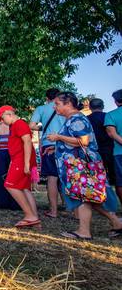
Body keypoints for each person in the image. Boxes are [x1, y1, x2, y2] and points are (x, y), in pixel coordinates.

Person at [48, 92, 122, 240]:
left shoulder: (76, 118)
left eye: (57, 104)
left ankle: (84, 231)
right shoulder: (74, 118)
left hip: (80, 166)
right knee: (88, 196)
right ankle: (117, 222)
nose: (54, 107)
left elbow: (84, 140)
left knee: (83, 196)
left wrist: (58, 137)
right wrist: (57, 146)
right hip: (78, 165)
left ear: (68, 103)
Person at [0, 106, 39, 228]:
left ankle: (29, 215)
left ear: (8, 114)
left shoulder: (19, 123)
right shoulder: (14, 126)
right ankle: (34, 217)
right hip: (18, 159)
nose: (2, 121)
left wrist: (26, 164)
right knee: (25, 189)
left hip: (22, 160)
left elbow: (27, 142)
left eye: (2, 118)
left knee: (9, 185)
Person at [30, 88, 65, 219]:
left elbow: (31, 125)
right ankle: (72, 209)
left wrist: (42, 127)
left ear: (47, 98)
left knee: (52, 178)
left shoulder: (41, 108)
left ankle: (53, 210)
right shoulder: (66, 107)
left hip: (49, 144)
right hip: (66, 144)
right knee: (67, 176)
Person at [88, 98, 116, 200]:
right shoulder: (108, 116)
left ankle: (99, 199)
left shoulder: (86, 119)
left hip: (93, 152)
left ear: (90, 107)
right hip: (110, 149)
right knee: (115, 177)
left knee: (96, 177)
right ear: (103, 106)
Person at [0, 121, 20, 210]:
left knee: (0, 177)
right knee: (13, 178)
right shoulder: (13, 126)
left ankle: (1, 202)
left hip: (1, 153)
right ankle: (14, 203)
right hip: (12, 153)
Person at [105, 89, 122, 204]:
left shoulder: (111, 115)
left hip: (119, 152)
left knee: (120, 182)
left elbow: (112, 133)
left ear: (116, 101)